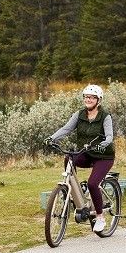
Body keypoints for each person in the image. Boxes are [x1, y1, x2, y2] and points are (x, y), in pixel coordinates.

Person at [46, 84, 115, 232]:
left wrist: (102, 145)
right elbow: (66, 129)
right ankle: (73, 191)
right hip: (86, 153)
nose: (88, 99)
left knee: (92, 183)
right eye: (86, 97)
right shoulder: (79, 114)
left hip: (103, 156)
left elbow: (110, 136)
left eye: (92, 97)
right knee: (69, 158)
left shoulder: (105, 116)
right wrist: (52, 138)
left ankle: (100, 217)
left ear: (98, 100)